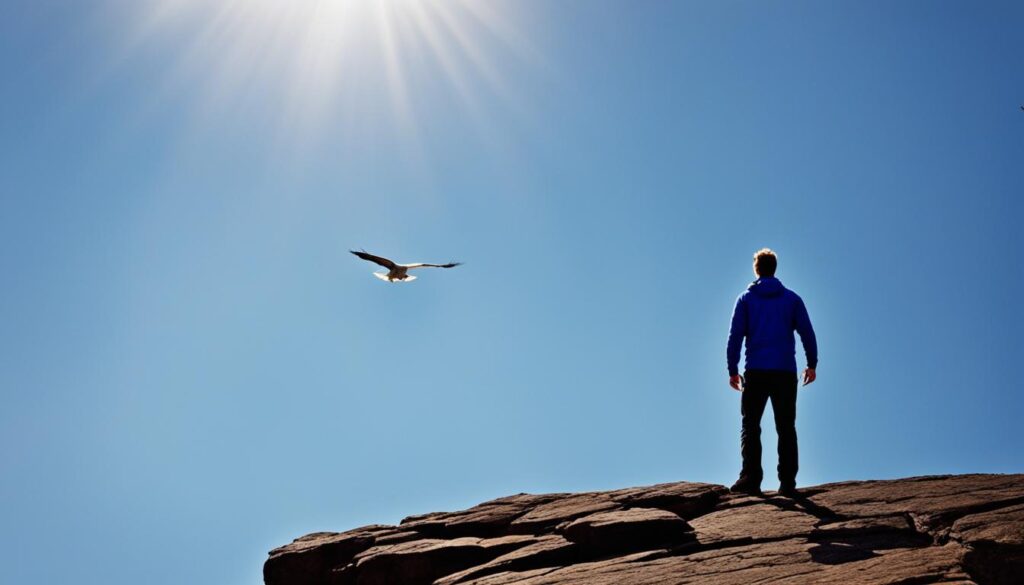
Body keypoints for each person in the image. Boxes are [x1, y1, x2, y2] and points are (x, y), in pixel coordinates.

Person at [726, 248, 818, 497]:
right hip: (785, 372)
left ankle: (751, 477)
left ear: (757, 269)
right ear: (774, 268)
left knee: (750, 425)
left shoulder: (746, 299)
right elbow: (807, 332)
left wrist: (732, 369)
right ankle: (787, 481)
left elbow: (735, 336)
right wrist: (812, 364)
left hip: (755, 370)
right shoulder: (792, 299)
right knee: (786, 427)